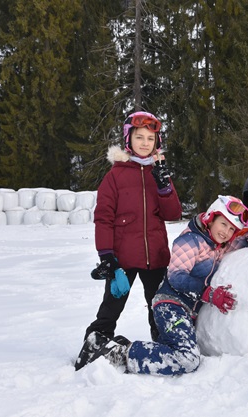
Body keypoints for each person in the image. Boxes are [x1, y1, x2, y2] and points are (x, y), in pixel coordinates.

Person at [76, 195, 248, 375]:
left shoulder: (218, 245)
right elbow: (177, 276)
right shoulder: (191, 240)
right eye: (223, 224)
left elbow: (244, 241)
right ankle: (116, 354)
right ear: (211, 218)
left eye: (232, 229)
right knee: (187, 358)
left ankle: (123, 347)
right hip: (170, 305)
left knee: (175, 351)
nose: (226, 232)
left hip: (186, 311)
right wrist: (208, 293)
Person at [74, 111, 182, 371]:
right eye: (139, 137)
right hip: (122, 259)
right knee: (111, 307)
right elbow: (103, 218)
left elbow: (173, 214)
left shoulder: (159, 173)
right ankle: (95, 344)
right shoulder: (115, 176)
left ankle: (163, 347)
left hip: (156, 256)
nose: (145, 143)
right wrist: (106, 256)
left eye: (150, 138)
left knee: (158, 307)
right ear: (128, 140)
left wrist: (164, 186)